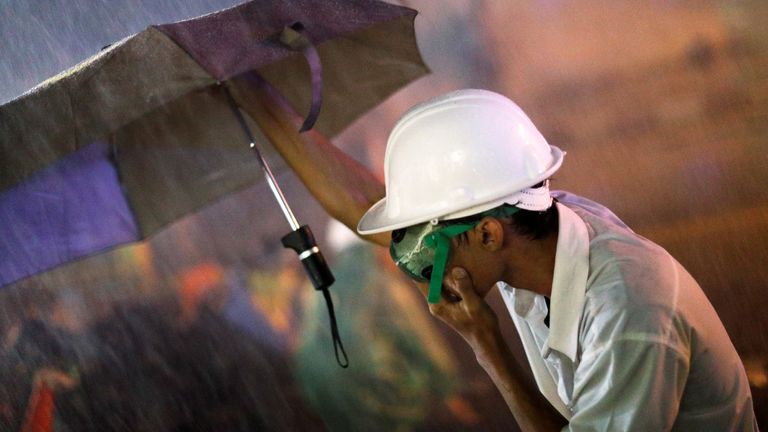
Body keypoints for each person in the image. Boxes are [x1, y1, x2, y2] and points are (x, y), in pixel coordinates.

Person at [238, 84, 758, 431]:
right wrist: (253, 92)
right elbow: (360, 205)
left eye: (426, 239)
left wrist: (486, 346)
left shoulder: (629, 314)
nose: (412, 256)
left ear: (487, 233)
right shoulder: (536, 226)